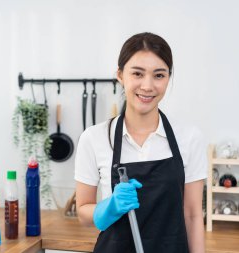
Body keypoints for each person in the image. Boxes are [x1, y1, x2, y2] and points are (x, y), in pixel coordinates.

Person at [75, 32, 207, 253]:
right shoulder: (94, 138)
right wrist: (110, 207)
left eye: (159, 75)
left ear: (168, 78)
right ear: (120, 75)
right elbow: (83, 214)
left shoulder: (189, 138)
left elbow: (193, 215)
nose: (147, 86)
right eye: (137, 73)